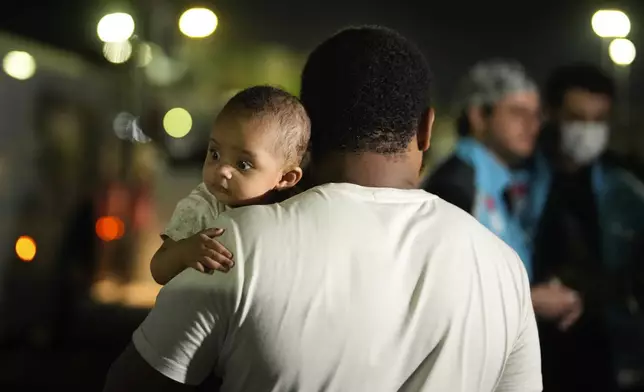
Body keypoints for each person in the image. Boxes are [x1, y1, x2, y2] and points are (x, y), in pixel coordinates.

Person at [104, 26, 542, 391]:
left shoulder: (232, 244)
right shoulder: (503, 267)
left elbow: (131, 383)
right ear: (426, 129)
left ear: (304, 127)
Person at [423, 60, 583, 332]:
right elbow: (443, 289)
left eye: (536, 115)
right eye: (518, 113)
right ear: (478, 116)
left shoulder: (509, 181)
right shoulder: (456, 184)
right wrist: (529, 300)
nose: (532, 125)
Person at [527, 63, 644, 392]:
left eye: (598, 120)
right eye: (578, 118)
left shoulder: (625, 190)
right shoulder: (522, 181)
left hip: (609, 354)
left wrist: (586, 293)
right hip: (536, 352)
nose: (588, 130)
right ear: (551, 114)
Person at [150, 85, 310, 285]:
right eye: (215, 153)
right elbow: (158, 269)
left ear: (286, 178)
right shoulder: (202, 207)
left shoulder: (293, 210)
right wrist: (184, 252)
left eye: (243, 164)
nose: (222, 170)